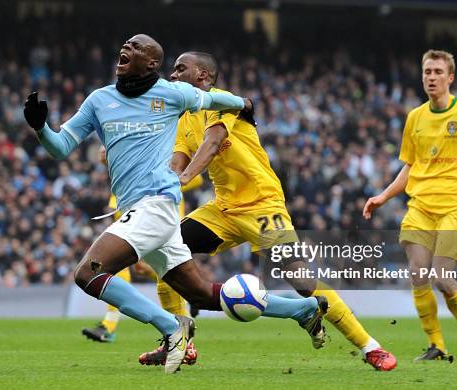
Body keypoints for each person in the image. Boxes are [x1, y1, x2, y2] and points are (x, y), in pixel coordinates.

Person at [24, 34, 326, 373]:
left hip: (156, 205)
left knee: (88, 273)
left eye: (136, 47)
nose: (126, 48)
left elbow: (215, 98)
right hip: (143, 211)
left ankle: (171, 329)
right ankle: (300, 309)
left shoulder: (172, 94)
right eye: (126, 45)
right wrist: (40, 128)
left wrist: (243, 102)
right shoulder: (99, 100)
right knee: (200, 294)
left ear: (152, 63)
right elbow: (60, 146)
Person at [138, 51, 397, 371]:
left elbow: (214, 141)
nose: (173, 75)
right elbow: (178, 162)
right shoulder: (184, 117)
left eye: (181, 69)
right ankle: (178, 342)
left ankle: (371, 347)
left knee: (301, 280)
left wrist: (185, 178)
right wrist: (158, 185)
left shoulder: (221, 100)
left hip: (262, 204)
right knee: (165, 246)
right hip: (223, 210)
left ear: (203, 76)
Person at [363, 49, 457, 362]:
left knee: (441, 277)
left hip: (455, 207)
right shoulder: (415, 118)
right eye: (427, 72)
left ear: (450, 77)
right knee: (417, 273)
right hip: (420, 207)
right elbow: (410, 166)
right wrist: (383, 196)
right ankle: (437, 346)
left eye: (438, 72)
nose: (432, 77)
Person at [81, 145, 201, 366]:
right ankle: (189, 296)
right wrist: (109, 158)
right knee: (142, 268)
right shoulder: (130, 124)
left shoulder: (168, 130)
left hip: (158, 209)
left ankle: (112, 325)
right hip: (129, 199)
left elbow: (195, 177)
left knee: (115, 267)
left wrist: (172, 180)